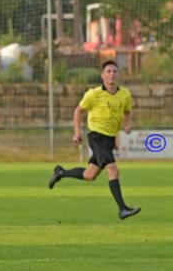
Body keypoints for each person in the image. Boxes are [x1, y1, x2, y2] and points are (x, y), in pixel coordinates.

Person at [48, 60, 141, 220]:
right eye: (109, 71)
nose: (112, 74)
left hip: (109, 139)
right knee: (113, 170)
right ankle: (122, 209)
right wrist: (77, 133)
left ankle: (61, 172)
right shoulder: (94, 94)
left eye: (115, 71)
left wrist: (126, 125)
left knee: (90, 174)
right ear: (103, 75)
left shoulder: (125, 94)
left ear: (118, 75)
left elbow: (126, 112)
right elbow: (78, 111)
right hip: (97, 137)